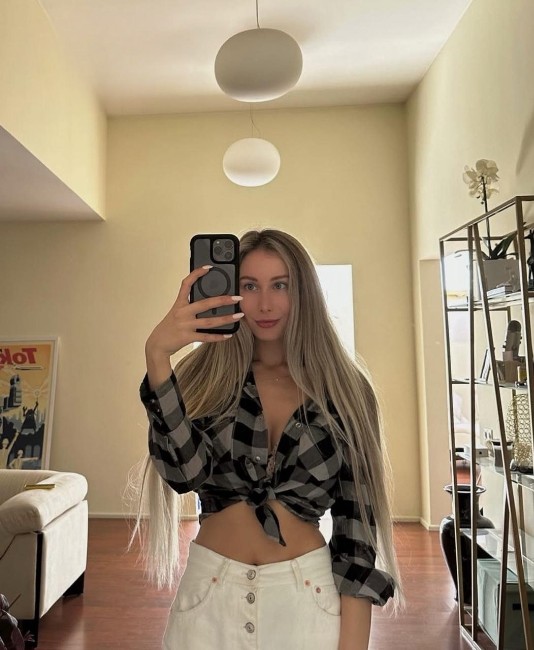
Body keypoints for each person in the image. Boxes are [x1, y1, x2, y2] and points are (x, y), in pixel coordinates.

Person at [135, 229, 401, 650]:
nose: (264, 304)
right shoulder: (201, 379)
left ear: (305, 292)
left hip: (307, 601)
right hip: (208, 599)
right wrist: (157, 356)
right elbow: (183, 473)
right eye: (249, 286)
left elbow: (356, 536)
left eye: (280, 285)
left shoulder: (347, 391)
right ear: (231, 290)